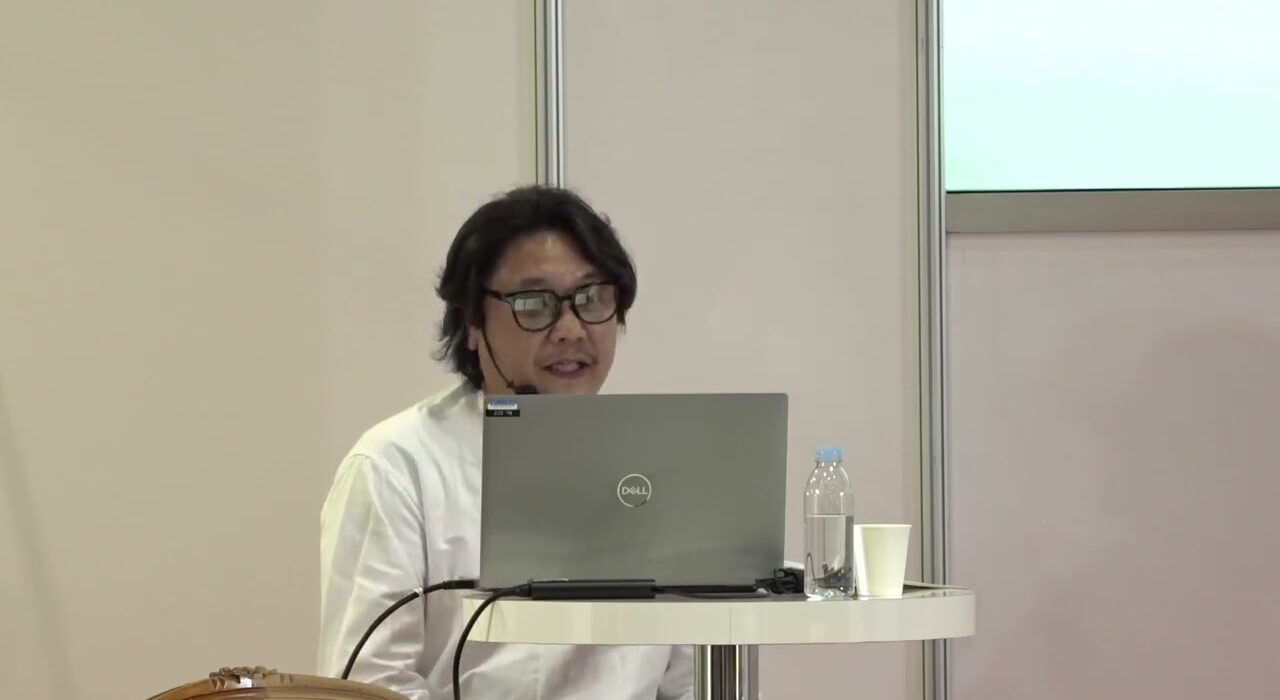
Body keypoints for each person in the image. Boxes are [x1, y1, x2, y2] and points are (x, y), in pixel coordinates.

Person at [317, 186, 693, 700]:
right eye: (534, 304)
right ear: (472, 322)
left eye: (592, 299)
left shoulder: (658, 468)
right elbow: (367, 686)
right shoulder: (396, 467)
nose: (570, 329)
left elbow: (691, 680)